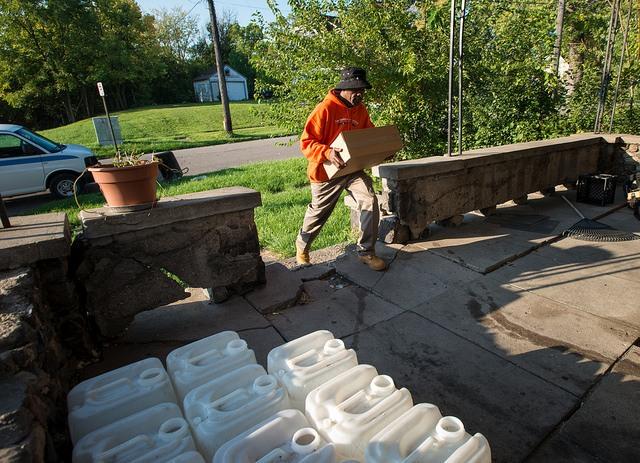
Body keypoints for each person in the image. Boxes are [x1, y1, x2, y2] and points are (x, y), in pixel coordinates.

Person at [295, 67, 386, 271]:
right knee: (319, 213)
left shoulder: (361, 110)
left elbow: (368, 135)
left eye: (363, 91)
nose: (360, 94)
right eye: (357, 90)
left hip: (353, 170)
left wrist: (382, 149)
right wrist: (327, 152)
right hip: (325, 173)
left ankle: (366, 252)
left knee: (369, 199)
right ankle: (302, 248)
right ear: (345, 88)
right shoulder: (324, 109)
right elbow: (306, 142)